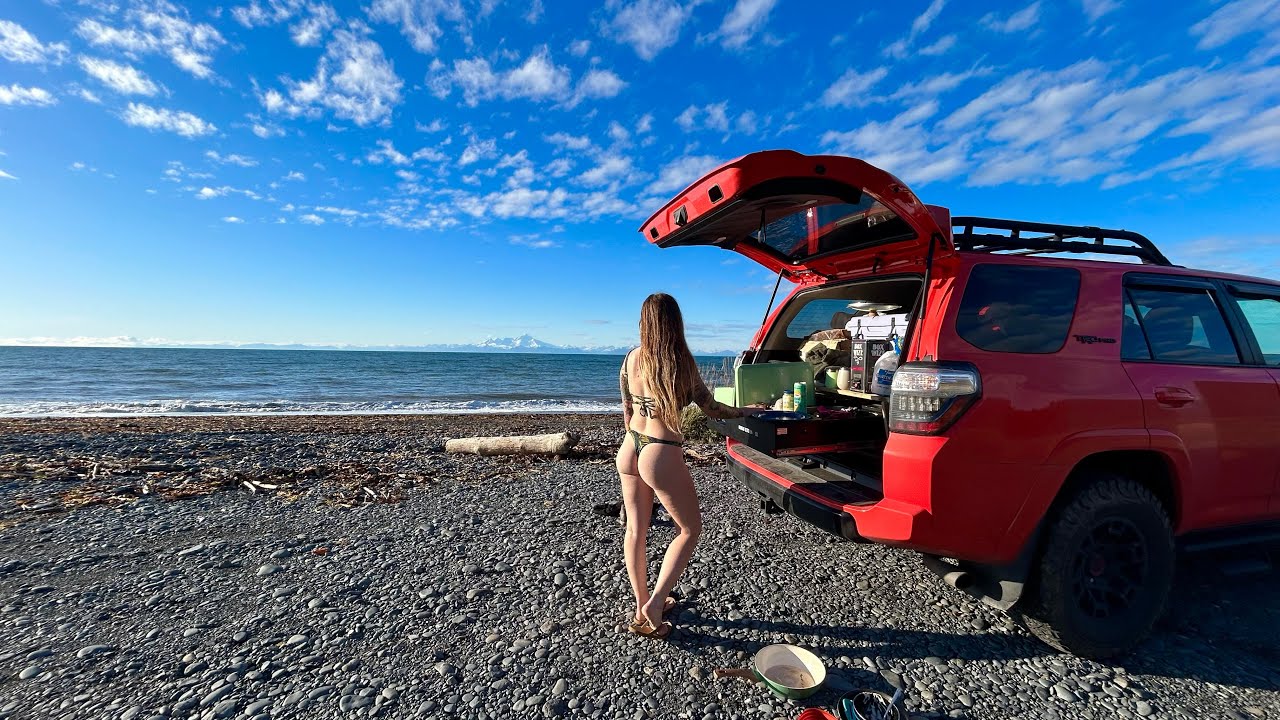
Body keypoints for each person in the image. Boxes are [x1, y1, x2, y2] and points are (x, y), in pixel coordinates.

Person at [615, 293, 743, 639]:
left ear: (644, 322)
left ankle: (641, 603)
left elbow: (627, 409)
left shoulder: (630, 358)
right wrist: (746, 411)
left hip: (630, 445)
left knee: (635, 530)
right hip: (660, 450)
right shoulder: (680, 362)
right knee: (689, 529)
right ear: (676, 323)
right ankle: (656, 604)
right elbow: (712, 408)